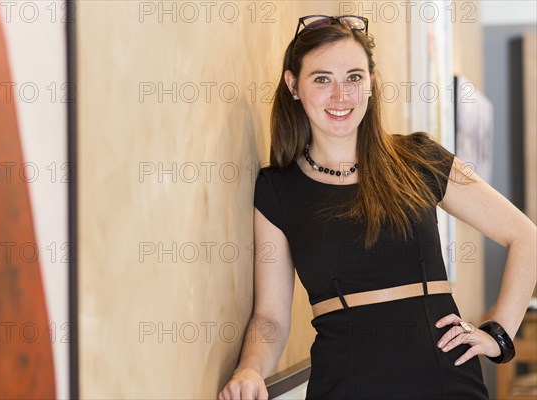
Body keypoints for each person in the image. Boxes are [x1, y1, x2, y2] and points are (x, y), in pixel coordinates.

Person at [218, 15, 537, 400]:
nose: (341, 96)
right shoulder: (277, 190)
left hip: (446, 380)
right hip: (345, 383)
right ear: (293, 85)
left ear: (372, 81)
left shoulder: (420, 158)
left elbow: (526, 237)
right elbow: (270, 316)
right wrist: (249, 368)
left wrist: (498, 335)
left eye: (354, 77)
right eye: (322, 79)